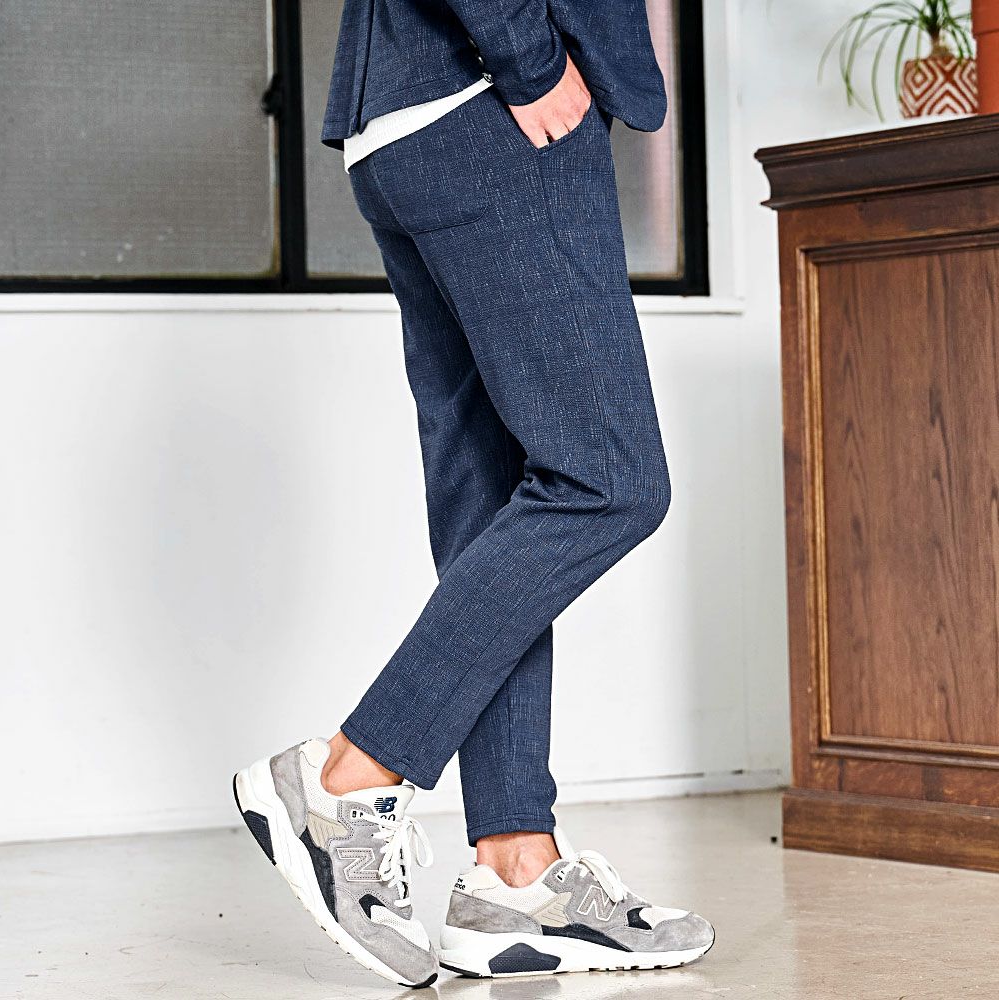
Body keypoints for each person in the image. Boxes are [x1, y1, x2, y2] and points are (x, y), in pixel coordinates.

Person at [233, 0, 715, 988]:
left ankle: (514, 874)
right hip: (488, 104)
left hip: (404, 123)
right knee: (609, 482)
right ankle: (346, 776)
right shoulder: (515, 80)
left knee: (495, 505)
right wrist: (529, 59)